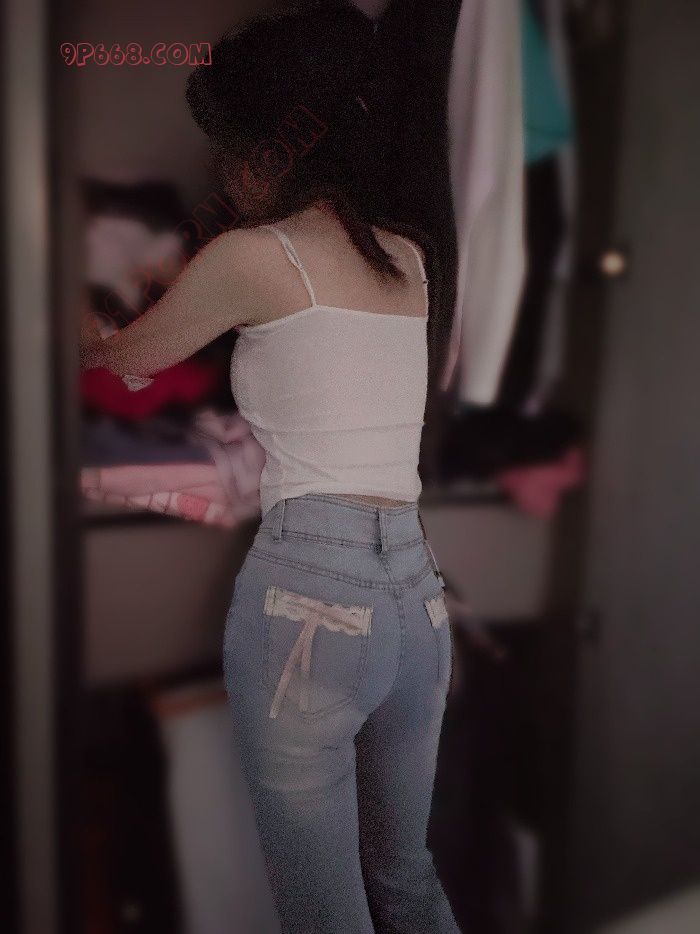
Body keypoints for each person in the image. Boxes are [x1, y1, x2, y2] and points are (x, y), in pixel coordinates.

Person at [80, 2, 461, 931]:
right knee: (406, 879)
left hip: (312, 600)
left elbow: (131, 360)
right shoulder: (410, 258)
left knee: (323, 914)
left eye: (232, 147)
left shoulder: (254, 255)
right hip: (419, 603)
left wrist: (80, 330)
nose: (226, 169)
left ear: (274, 146)